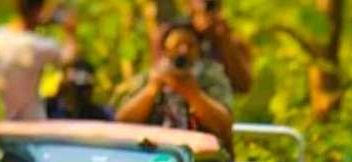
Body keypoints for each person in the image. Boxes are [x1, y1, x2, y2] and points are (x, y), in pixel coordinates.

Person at [115, 20, 234, 151]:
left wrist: (194, 95)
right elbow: (122, 121)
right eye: (177, 45)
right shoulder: (148, 79)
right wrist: (152, 90)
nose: (183, 51)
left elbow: (224, 126)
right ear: (165, 51)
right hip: (153, 157)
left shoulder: (211, 76)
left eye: (190, 45)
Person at [0, 0, 78, 120]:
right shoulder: (38, 46)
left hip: (5, 118)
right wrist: (70, 33)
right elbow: (69, 58)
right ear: (38, 11)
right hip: (32, 121)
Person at [188, 0, 253, 93]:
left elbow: (244, 85)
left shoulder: (233, 41)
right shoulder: (179, 37)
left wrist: (224, 40)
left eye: (211, 7)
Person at [45, 59, 114, 121]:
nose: (84, 92)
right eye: (72, 85)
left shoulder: (100, 114)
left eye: (86, 86)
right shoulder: (48, 108)